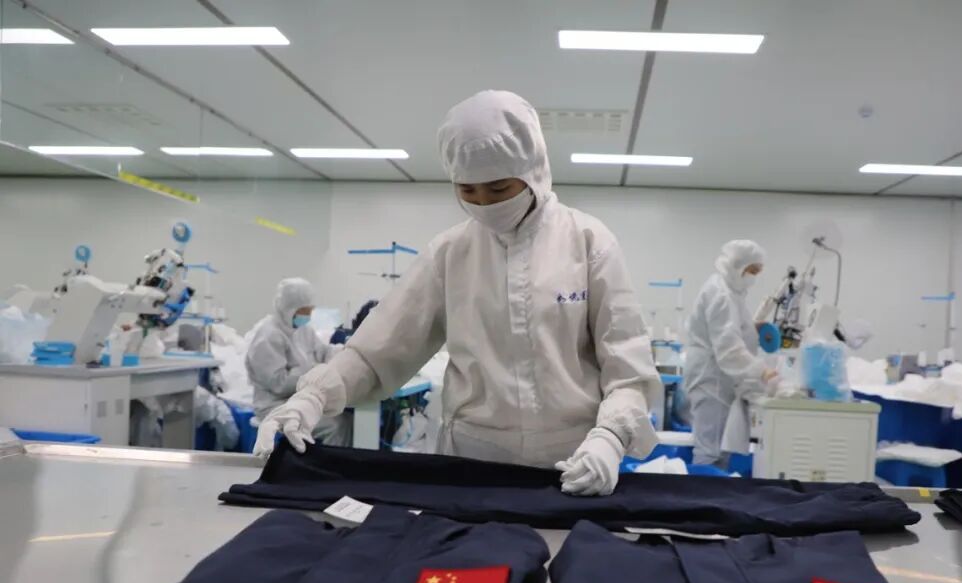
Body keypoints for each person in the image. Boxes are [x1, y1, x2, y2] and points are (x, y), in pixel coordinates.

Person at [254, 90, 659, 496]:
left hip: (573, 462)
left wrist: (611, 437)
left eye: (498, 189)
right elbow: (376, 352)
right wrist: (313, 397)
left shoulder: (588, 243)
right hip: (471, 462)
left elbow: (628, 369)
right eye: (468, 191)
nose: (484, 203)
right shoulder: (450, 254)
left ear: (533, 170)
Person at [684, 239, 776, 466]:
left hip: (719, 379)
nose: (754, 277)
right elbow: (728, 348)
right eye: (752, 271)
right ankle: (702, 488)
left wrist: (752, 330)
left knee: (719, 449)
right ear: (738, 265)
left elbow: (732, 330)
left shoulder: (732, 291)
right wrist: (763, 372)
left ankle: (714, 486)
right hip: (711, 380)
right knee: (710, 450)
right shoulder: (721, 294)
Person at [246, 278, 351, 447]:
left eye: (309, 310)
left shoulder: (303, 330)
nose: (307, 316)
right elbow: (278, 384)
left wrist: (346, 352)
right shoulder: (269, 336)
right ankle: (327, 464)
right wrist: (312, 372)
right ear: (289, 309)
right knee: (336, 425)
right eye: (303, 311)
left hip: (300, 399)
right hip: (275, 405)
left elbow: (323, 352)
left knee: (345, 417)